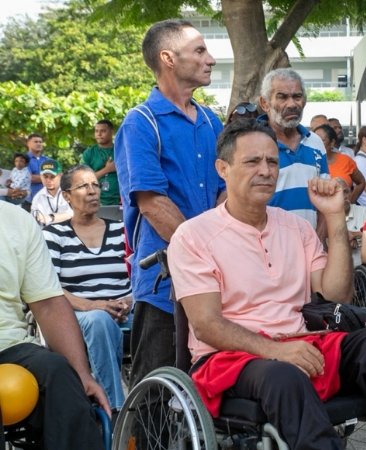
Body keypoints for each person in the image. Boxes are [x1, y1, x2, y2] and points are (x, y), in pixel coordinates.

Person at [167, 119, 366, 450]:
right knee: (284, 374)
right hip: (230, 359)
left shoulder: (296, 228)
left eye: (272, 161)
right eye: (252, 161)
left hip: (301, 343)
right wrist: (276, 351)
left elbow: (337, 295)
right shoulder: (194, 235)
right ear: (223, 168)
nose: (266, 170)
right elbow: (206, 325)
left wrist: (335, 218)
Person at [115, 19, 224, 387]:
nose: (210, 59)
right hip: (165, 282)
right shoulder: (140, 122)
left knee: (213, 382)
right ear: (168, 58)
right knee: (155, 391)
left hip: (218, 275)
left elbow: (228, 189)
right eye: (199, 50)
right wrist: (206, 252)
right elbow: (152, 204)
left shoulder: (212, 121)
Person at [0, 201, 110, 449]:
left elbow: (48, 303)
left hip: (9, 345)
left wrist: (82, 374)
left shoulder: (16, 220)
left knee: (59, 372)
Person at [41, 165, 131, 413]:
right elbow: (50, 287)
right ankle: (115, 409)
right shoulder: (55, 235)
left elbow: (139, 277)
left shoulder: (121, 231)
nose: (93, 191)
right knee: (99, 321)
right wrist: (95, 306)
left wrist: (129, 300)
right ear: (67, 196)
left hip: (126, 310)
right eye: (83, 186)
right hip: (79, 314)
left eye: (95, 185)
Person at [257, 68, 330, 229]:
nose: (291, 104)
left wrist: (317, 243)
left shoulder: (315, 142)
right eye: (282, 97)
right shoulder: (252, 143)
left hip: (310, 246)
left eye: (297, 96)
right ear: (265, 103)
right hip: (266, 245)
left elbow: (325, 202)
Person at [314, 123, 365, 203]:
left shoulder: (345, 160)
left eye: (321, 140)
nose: (316, 144)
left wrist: (350, 201)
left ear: (332, 143)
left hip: (342, 212)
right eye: (314, 140)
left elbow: (361, 182)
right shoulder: (308, 162)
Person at [81, 120, 120, 206]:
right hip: (96, 201)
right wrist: (107, 169)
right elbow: (84, 180)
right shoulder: (89, 152)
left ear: (111, 132)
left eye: (103, 131)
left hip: (120, 201)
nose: (99, 134)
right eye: (96, 131)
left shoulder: (121, 151)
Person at [30, 160, 73, 227]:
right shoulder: (38, 197)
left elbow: (73, 214)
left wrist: (50, 218)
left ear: (61, 175)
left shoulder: (69, 192)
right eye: (45, 177)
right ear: (41, 177)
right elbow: (34, 217)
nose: (48, 180)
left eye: (52, 177)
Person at [25, 133, 48, 204]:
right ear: (28, 144)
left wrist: (38, 177)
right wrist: (50, 177)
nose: (39, 144)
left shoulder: (48, 160)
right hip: (30, 200)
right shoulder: (23, 159)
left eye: (40, 142)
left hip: (46, 200)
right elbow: (29, 178)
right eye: (36, 142)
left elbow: (58, 176)